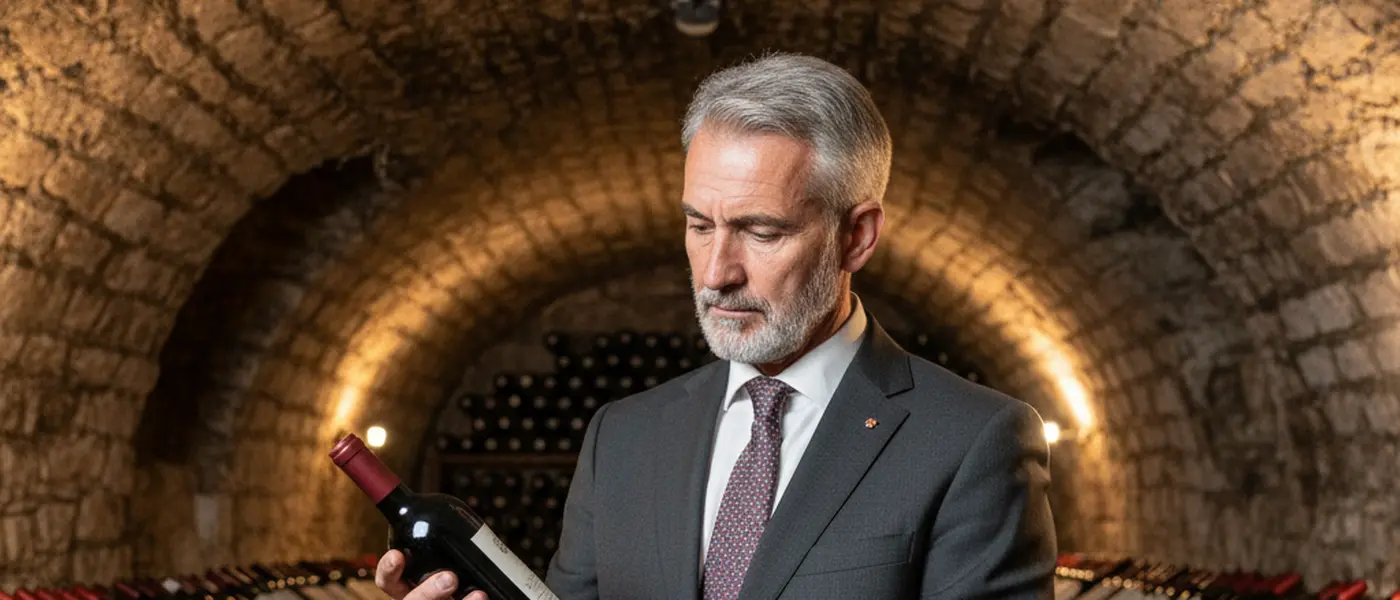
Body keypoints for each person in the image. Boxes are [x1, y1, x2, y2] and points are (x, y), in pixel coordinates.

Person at [375, 52, 1056, 600]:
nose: (716, 272)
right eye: (700, 226)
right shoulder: (622, 438)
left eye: (762, 231)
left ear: (856, 236)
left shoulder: (972, 441)